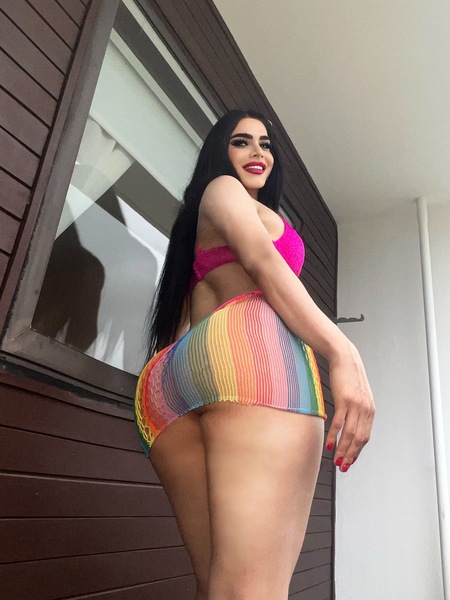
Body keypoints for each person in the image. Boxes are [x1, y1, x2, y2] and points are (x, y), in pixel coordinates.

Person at [135, 109, 375, 600]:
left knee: (216, 587)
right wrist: (342, 350)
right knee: (254, 590)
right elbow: (263, 262)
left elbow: (185, 319)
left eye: (265, 144)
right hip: (244, 358)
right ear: (219, 153)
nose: (257, 152)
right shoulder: (223, 189)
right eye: (241, 141)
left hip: (175, 383)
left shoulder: (199, 220)